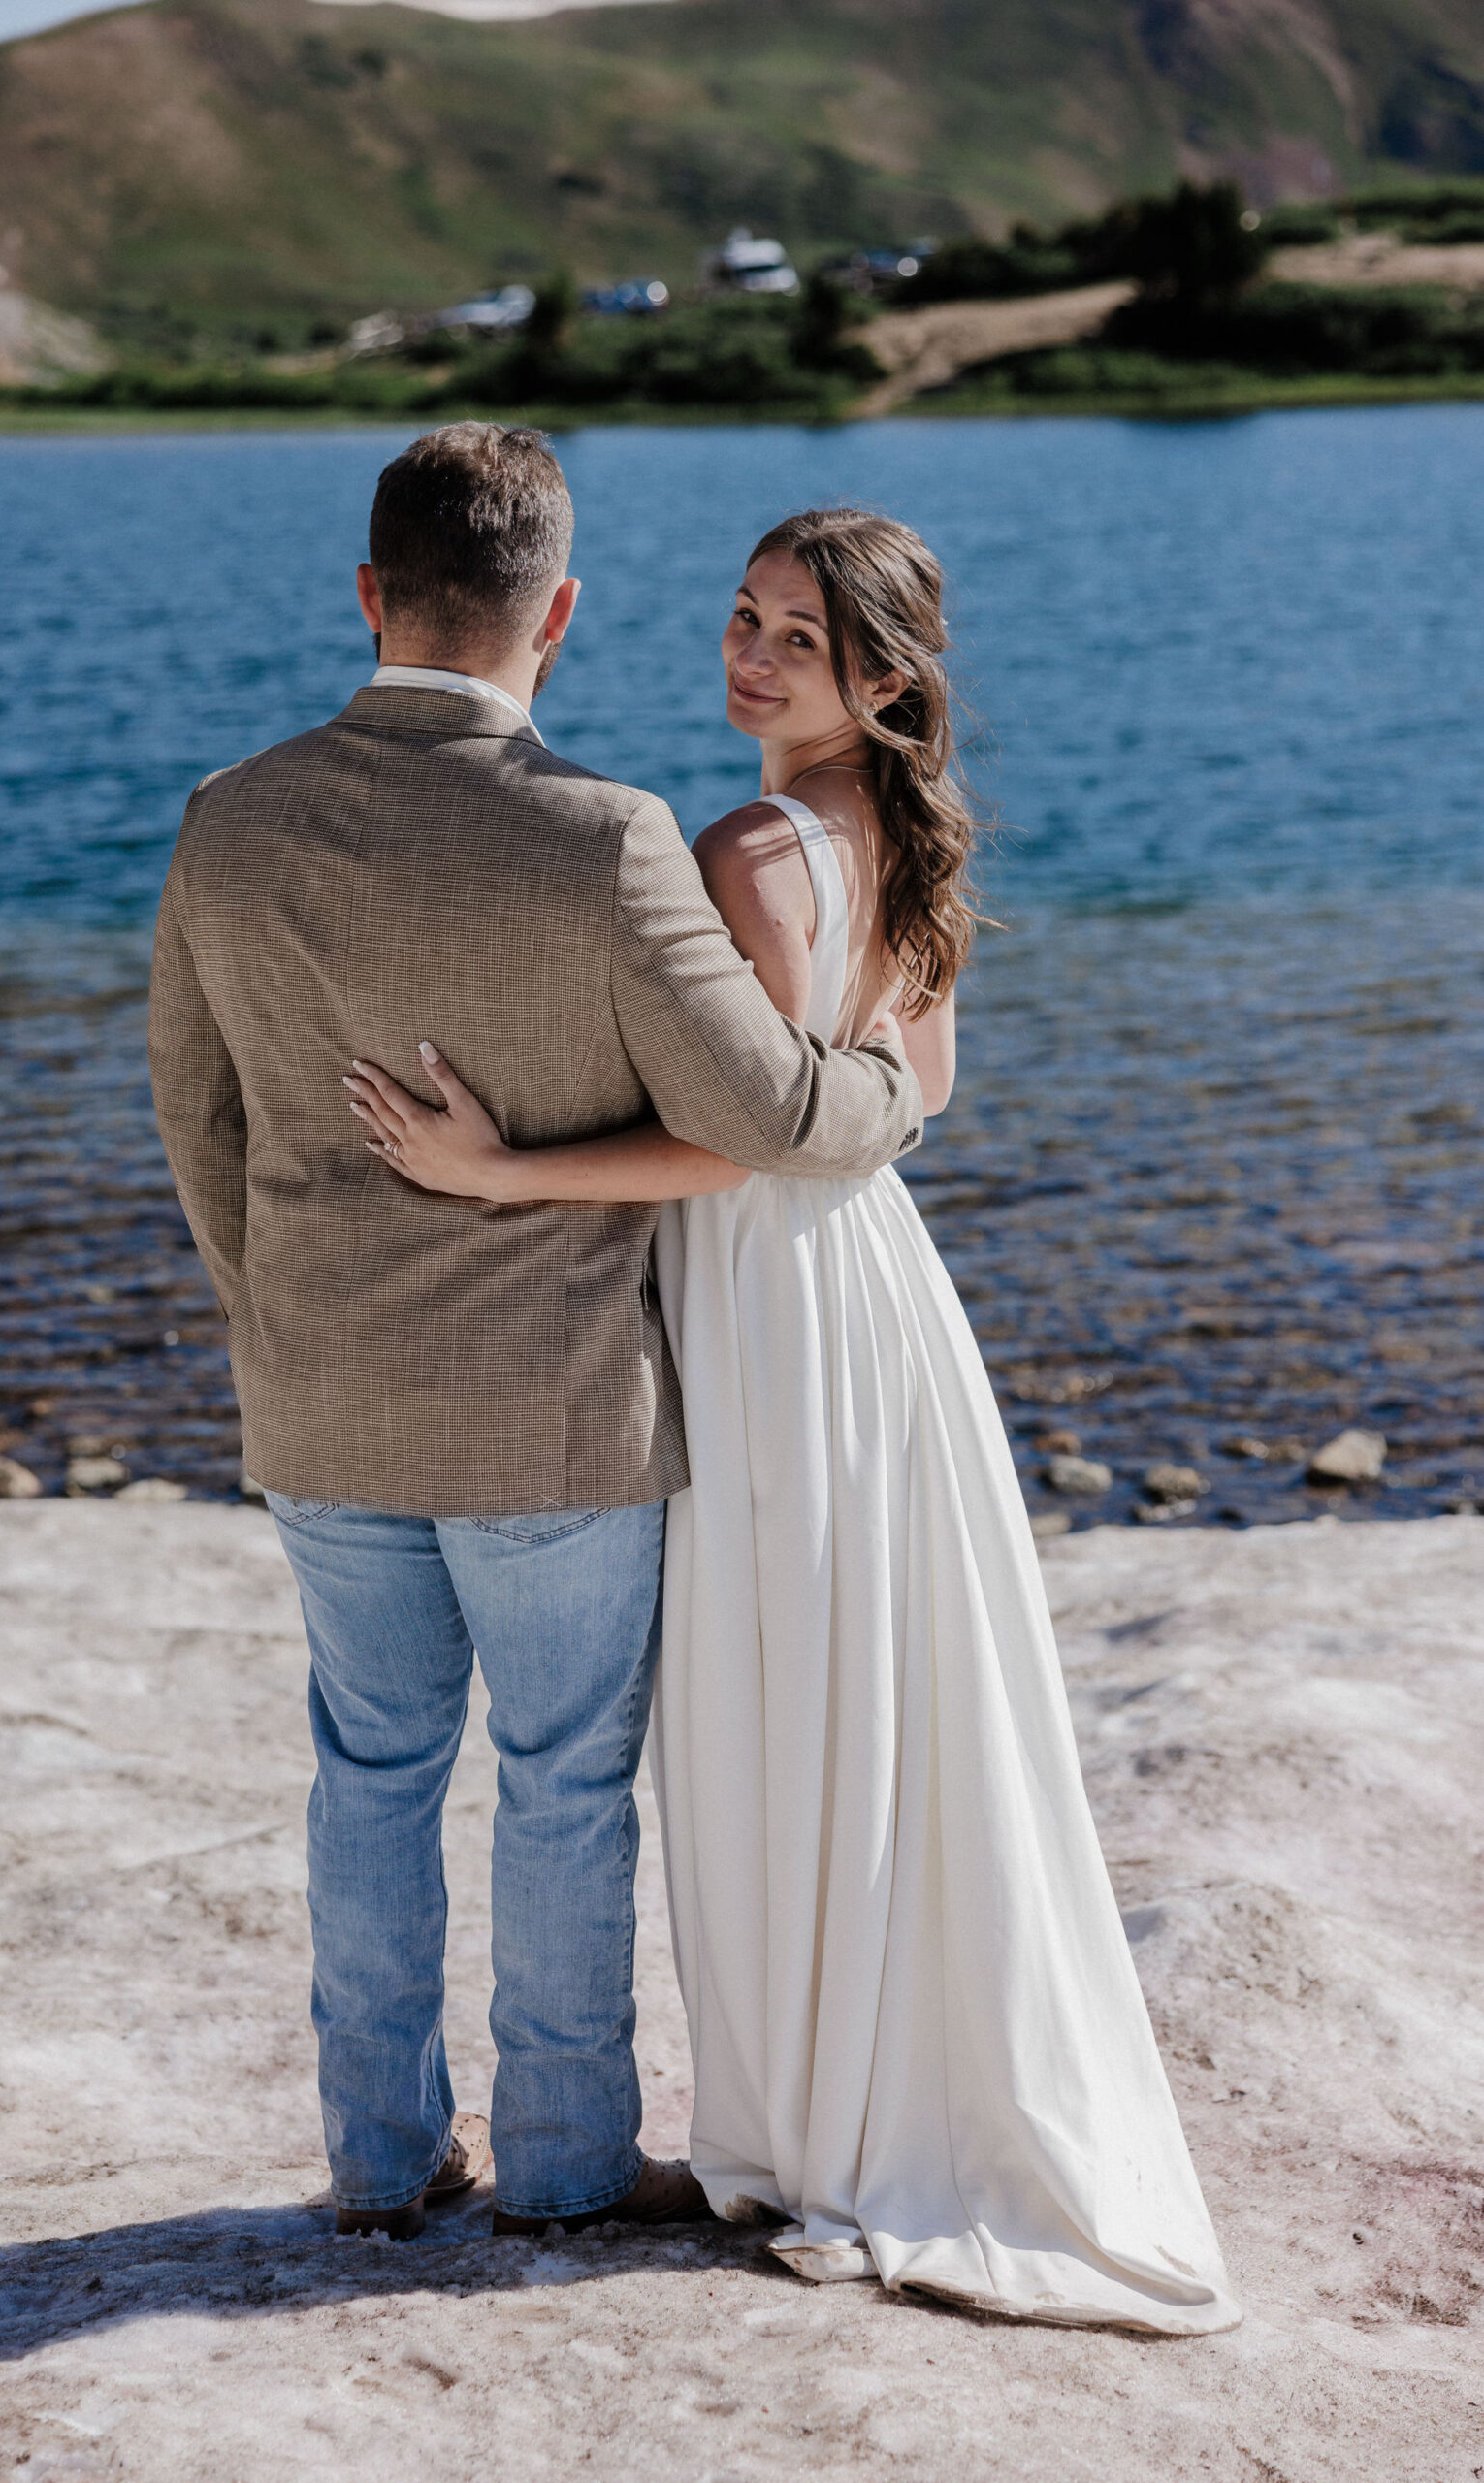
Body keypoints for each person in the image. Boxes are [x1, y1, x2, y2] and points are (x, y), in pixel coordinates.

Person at [344, 506, 1242, 2333]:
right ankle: (870, 2087)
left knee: (779, 1696)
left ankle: (811, 2120)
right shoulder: (907, 840)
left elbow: (732, 1130)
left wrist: (502, 1171)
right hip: (878, 1289)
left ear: (882, 678)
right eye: (745, 617)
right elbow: (918, 1097)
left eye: (799, 643)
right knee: (877, 1686)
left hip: (764, 1293)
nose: (751, 656)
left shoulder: (749, 845)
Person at [147, 430, 924, 2245]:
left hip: (322, 1398)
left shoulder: (227, 817)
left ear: (369, 597)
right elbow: (764, 1117)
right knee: (562, 1786)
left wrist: (276, 1322)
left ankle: (377, 2158)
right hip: (554, 1421)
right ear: (557, 614)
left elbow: (200, 1123)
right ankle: (566, 2175)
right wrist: (892, 1080)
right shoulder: (608, 836)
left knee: (371, 1768)